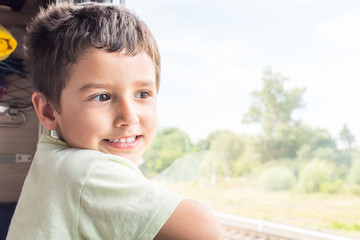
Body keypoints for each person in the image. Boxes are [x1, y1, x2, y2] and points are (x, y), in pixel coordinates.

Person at [6, 2, 222, 240]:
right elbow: (202, 229)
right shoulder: (87, 172)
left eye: (142, 94)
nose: (129, 117)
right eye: (102, 97)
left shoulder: (54, 160)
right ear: (48, 110)